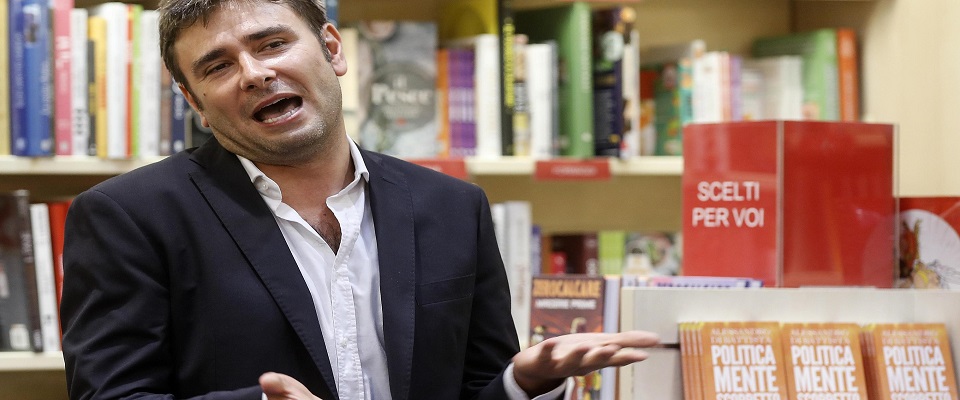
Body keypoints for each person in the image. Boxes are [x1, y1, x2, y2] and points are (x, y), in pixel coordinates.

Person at [59, 0, 661, 398]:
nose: (253, 73)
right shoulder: (127, 218)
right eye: (217, 66)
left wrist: (521, 383)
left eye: (271, 44)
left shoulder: (454, 208)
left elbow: (477, 384)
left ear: (332, 48)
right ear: (194, 103)